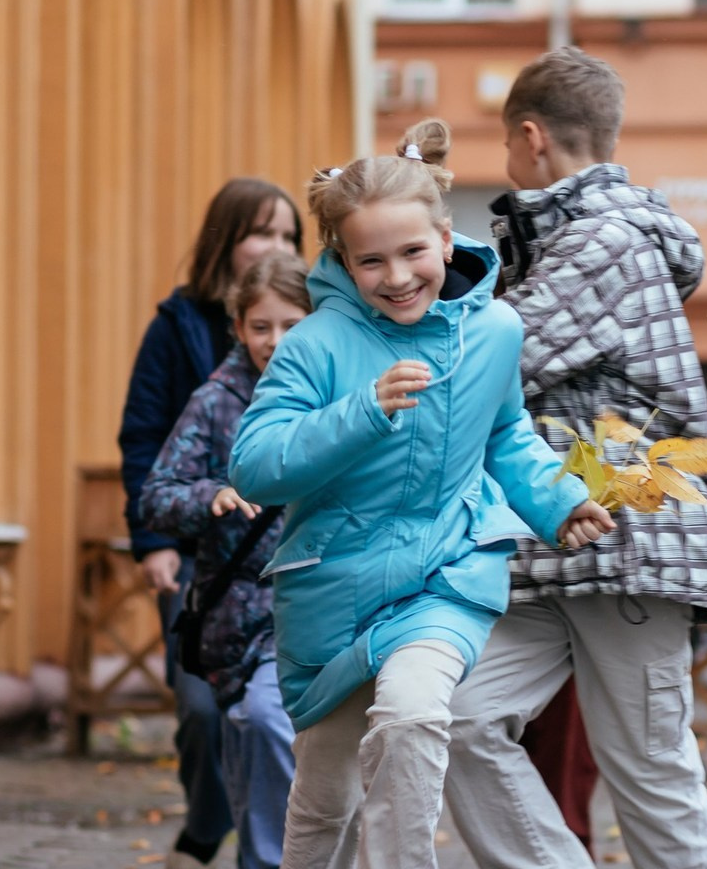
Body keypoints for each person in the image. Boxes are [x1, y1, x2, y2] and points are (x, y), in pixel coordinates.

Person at [228, 119, 614, 869]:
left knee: (411, 718)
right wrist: (360, 411)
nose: (397, 276)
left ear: (446, 237)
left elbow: (504, 435)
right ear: (342, 259)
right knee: (324, 796)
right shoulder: (315, 344)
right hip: (332, 590)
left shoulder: (495, 330)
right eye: (371, 261)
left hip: (446, 571)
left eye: (412, 252)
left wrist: (559, 501)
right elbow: (254, 465)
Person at [442, 46, 707, 869]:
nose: (505, 163)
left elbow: (502, 357)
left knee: (649, 773)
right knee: (456, 718)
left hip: (631, 544)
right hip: (554, 548)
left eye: (504, 147)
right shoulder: (568, 240)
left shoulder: (607, 243)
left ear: (531, 138)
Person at [117, 179, 302, 869]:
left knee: (266, 723)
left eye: (289, 235)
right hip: (215, 570)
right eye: (264, 232)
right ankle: (209, 825)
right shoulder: (182, 334)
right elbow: (146, 444)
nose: (275, 341)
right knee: (209, 714)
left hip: (300, 589)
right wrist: (159, 541)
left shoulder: (334, 371)